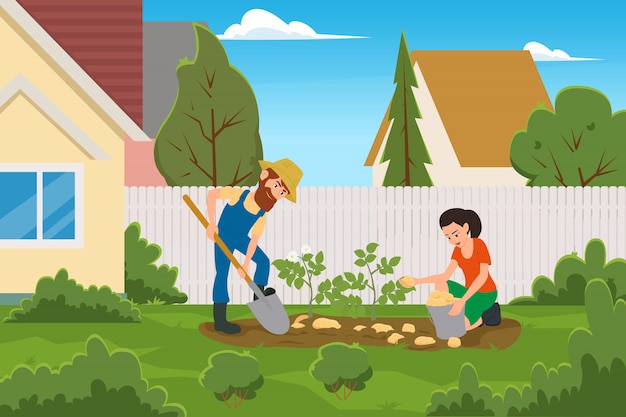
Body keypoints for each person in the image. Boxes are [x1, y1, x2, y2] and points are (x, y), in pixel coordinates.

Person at [205, 158, 303, 334]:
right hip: (223, 237)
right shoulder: (239, 196)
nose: (277, 193)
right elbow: (213, 195)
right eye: (277, 186)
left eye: (282, 192)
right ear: (265, 176)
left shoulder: (261, 213)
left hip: (240, 238)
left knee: (264, 261)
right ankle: (220, 320)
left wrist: (245, 264)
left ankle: (259, 301)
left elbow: (254, 239)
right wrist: (211, 224)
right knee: (222, 273)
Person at [399, 208, 500, 330]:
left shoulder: (479, 245)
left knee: (462, 327)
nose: (453, 240)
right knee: (440, 283)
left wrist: (462, 301)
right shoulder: (457, 250)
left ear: (466, 227)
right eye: (448, 237)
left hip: (485, 294)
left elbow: (482, 277)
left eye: (456, 234)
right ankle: (455, 312)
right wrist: (416, 281)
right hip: (469, 291)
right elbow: (444, 276)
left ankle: (491, 312)